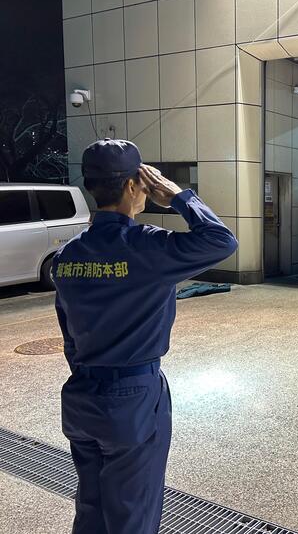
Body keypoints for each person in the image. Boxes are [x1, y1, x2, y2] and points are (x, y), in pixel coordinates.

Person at [52, 138, 238, 534]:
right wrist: (179, 197)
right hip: (133, 397)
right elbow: (222, 241)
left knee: (92, 508)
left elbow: (68, 333)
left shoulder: (67, 256)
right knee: (132, 514)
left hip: (81, 395)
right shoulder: (148, 246)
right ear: (137, 185)